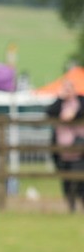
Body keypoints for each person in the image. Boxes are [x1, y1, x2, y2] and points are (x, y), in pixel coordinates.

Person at [47, 80, 84, 212]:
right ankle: (71, 206)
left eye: (69, 88)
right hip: (62, 151)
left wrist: (74, 115)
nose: (67, 91)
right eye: (65, 89)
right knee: (66, 180)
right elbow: (49, 112)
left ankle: (80, 203)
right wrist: (60, 98)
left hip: (79, 150)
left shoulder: (80, 101)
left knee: (80, 179)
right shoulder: (59, 104)